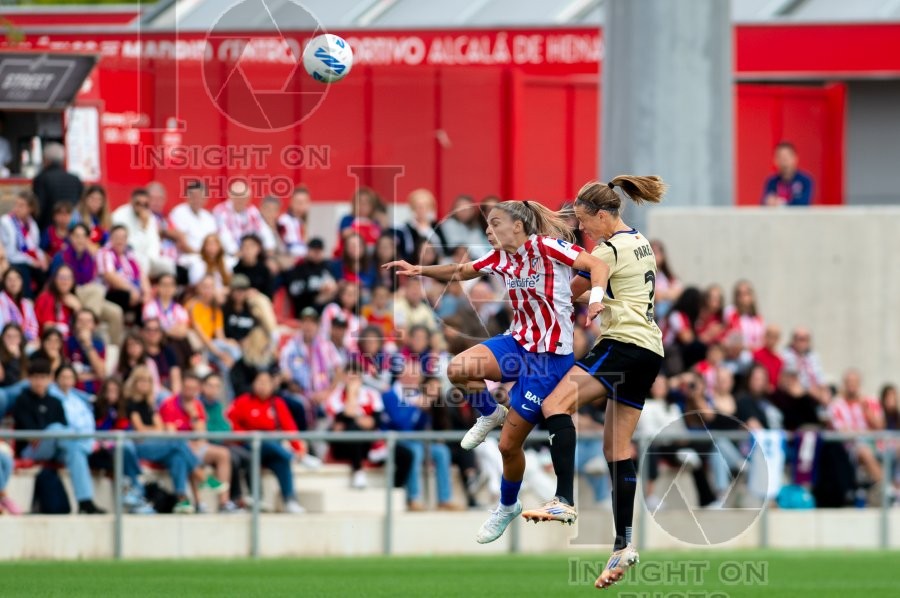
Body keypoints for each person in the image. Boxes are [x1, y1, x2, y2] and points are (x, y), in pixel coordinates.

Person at [384, 198, 608, 542]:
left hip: (549, 359)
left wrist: (595, 300)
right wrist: (419, 270)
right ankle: (490, 413)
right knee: (458, 368)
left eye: (495, 224)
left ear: (517, 226)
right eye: (487, 225)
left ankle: (507, 505)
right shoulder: (499, 258)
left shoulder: (546, 247)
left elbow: (596, 265)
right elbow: (461, 271)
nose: (488, 231)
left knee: (507, 447)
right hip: (516, 344)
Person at [518, 176, 666, 589]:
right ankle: (624, 544)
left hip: (622, 344)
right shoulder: (640, 241)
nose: (582, 228)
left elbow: (574, 290)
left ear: (603, 215)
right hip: (650, 351)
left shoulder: (607, 250)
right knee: (617, 448)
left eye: (584, 220)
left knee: (554, 404)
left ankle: (564, 499)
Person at [12, 358, 105, 514]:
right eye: (35, 377)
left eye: (43, 377)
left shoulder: (55, 402)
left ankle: (85, 501)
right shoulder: (22, 400)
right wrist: (52, 433)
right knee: (56, 429)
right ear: (29, 379)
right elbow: (30, 436)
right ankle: (85, 445)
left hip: (56, 448)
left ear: (49, 379)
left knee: (75, 450)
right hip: (32, 449)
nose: (39, 382)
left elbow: (63, 431)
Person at [381, 358, 460, 510]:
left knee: (442, 452)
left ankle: (444, 499)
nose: (416, 378)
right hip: (398, 441)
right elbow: (399, 423)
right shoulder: (390, 395)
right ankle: (414, 498)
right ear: (402, 375)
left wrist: (430, 404)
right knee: (415, 451)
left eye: (417, 375)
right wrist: (415, 407)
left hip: (417, 439)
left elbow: (422, 424)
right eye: (413, 374)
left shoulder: (417, 394)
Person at [123, 365, 200, 514]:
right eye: (141, 381)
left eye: (147, 381)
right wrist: (153, 430)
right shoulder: (130, 403)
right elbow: (140, 430)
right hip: (140, 446)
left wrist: (152, 430)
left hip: (154, 444)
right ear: (135, 383)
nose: (144, 384)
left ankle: (181, 499)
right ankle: (198, 471)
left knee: (178, 457)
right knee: (177, 442)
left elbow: (159, 428)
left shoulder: (150, 404)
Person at [227, 370, 306, 513]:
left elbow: (289, 427)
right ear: (253, 384)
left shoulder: (277, 403)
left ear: (272, 385)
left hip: (271, 449)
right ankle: (292, 456)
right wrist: (247, 435)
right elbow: (231, 424)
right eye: (259, 382)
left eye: (266, 382)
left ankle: (290, 500)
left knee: (281, 460)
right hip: (248, 445)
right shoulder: (243, 401)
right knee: (263, 440)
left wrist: (298, 447)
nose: (262, 386)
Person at [158, 373, 237, 512]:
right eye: (187, 388)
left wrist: (193, 416)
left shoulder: (197, 405)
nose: (190, 391)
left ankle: (224, 502)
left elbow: (202, 436)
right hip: (177, 448)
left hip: (195, 446)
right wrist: (189, 444)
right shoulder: (169, 404)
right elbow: (171, 436)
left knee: (223, 454)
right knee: (185, 453)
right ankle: (200, 501)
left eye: (193, 388)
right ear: (182, 386)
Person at [51, 223, 123, 344]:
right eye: (77, 236)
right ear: (71, 238)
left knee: (116, 312)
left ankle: (114, 350)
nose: (80, 240)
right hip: (70, 293)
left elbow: (92, 279)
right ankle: (89, 330)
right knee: (98, 289)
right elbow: (54, 281)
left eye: (83, 237)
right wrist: (64, 295)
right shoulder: (61, 256)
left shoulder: (89, 258)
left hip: (86, 297)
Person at [325, 362, 385, 489]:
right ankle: (358, 471)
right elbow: (341, 419)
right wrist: (351, 394)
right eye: (350, 378)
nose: (353, 381)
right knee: (352, 428)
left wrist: (354, 418)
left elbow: (374, 421)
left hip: (367, 441)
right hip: (342, 444)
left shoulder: (371, 394)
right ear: (344, 377)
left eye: (356, 378)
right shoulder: (335, 395)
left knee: (405, 453)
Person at [199, 373, 250, 508]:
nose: (213, 389)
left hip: (223, 442)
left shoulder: (217, 405)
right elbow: (206, 428)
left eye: (217, 386)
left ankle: (254, 495)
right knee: (233, 458)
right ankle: (234, 498)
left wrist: (221, 433)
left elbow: (226, 427)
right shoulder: (198, 404)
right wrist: (220, 434)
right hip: (209, 445)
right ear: (202, 386)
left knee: (249, 456)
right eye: (210, 385)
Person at [111, 187, 174, 277]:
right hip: (125, 257)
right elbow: (129, 245)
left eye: (145, 204)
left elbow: (154, 241)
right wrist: (143, 227)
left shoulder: (150, 217)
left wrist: (152, 258)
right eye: (138, 203)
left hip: (148, 259)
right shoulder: (120, 215)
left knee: (170, 266)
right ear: (131, 202)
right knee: (143, 261)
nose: (141, 207)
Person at [96, 224, 151, 326]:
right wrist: (132, 290)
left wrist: (147, 292)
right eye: (117, 237)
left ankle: (141, 327)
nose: (120, 240)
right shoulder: (104, 252)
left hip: (131, 289)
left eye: (123, 237)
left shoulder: (129, 253)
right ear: (111, 238)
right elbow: (109, 276)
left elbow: (141, 273)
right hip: (110, 292)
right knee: (127, 295)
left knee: (147, 298)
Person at [0, 190, 47, 297]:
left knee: (44, 272)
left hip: (25, 259)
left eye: (21, 205)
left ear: (31, 208)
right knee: (23, 270)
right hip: (10, 261)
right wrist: (31, 261)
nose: (17, 208)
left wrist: (42, 258)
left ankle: (42, 300)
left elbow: (34, 247)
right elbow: (10, 253)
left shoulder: (32, 224)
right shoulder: (6, 222)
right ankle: (26, 300)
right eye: (16, 204)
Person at [212, 179, 275, 257]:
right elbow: (223, 234)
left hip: (251, 253)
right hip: (229, 255)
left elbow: (263, 229)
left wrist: (269, 247)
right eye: (237, 196)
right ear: (230, 196)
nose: (241, 200)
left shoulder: (252, 210)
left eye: (244, 197)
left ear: (249, 198)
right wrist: (236, 252)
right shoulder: (220, 210)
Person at [169, 181, 219, 274]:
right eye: (194, 196)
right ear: (187, 197)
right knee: (200, 265)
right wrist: (201, 254)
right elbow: (181, 242)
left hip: (208, 255)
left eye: (200, 197)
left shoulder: (208, 217)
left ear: (206, 199)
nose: (197, 200)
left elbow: (214, 240)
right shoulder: (179, 212)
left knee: (227, 263)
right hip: (188, 256)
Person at [31, 142, 83, 230]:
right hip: (71, 228)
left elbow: (39, 207)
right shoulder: (75, 179)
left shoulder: (41, 179)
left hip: (48, 229)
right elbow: (79, 202)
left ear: (46, 160)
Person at [284, 237, 336, 318]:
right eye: (314, 250)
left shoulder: (328, 267)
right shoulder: (299, 269)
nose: (317, 253)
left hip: (326, 309)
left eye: (319, 250)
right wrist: (317, 291)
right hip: (305, 309)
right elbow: (294, 291)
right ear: (308, 251)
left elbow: (334, 287)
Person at [34, 264, 81, 338]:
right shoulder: (46, 298)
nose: (65, 281)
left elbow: (81, 329)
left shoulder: (73, 300)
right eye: (61, 277)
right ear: (55, 279)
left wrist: (78, 308)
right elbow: (48, 330)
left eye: (68, 277)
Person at [761, 141, 813, 207]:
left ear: (795, 158)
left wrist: (781, 203)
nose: (784, 160)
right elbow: (764, 203)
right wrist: (768, 202)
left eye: (787, 156)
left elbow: (803, 204)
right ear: (775, 160)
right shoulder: (771, 182)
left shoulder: (805, 180)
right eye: (780, 157)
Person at [781, 327, 826, 401]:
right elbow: (792, 385)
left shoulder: (813, 356)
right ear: (793, 340)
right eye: (800, 339)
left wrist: (824, 393)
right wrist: (809, 392)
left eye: (806, 339)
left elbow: (821, 379)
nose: (803, 343)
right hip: (799, 397)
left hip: (816, 394)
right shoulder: (786, 356)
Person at [0, 267, 39, 348]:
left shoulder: (26, 304)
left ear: (22, 282)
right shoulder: (1, 301)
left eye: (16, 279)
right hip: (5, 343)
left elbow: (33, 326)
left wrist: (30, 339)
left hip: (25, 342)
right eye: (9, 279)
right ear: (4, 282)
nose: (13, 282)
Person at [70, 184, 111, 251]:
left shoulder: (105, 219)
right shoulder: (77, 216)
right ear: (85, 199)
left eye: (99, 199)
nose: (95, 202)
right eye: (92, 198)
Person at [276, 185, 311, 262]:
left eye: (304, 202)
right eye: (298, 202)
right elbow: (285, 247)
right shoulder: (284, 221)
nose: (301, 205)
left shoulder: (303, 221)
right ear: (291, 202)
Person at [753, 324, 784, 392]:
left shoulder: (779, 360)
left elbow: (779, 381)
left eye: (775, 337)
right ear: (764, 336)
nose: (772, 340)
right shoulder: (756, 355)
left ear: (778, 339)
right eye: (770, 335)